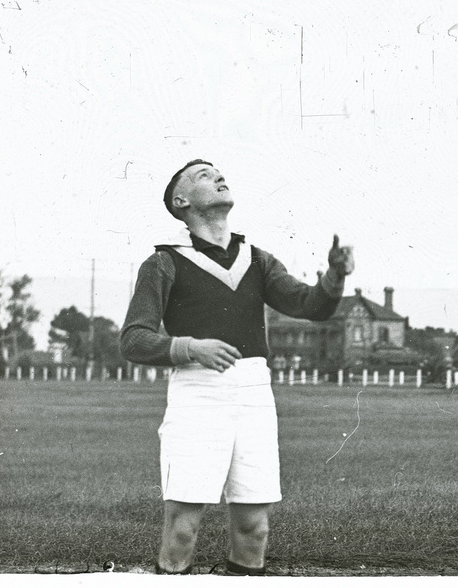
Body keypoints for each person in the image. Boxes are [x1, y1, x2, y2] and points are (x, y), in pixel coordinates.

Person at [120, 159, 355, 575]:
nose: (218, 177)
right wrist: (190, 347)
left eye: (219, 173)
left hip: (253, 392)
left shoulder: (257, 259)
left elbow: (310, 306)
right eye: (203, 176)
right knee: (183, 530)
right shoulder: (163, 262)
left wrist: (335, 276)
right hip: (197, 393)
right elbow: (133, 339)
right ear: (181, 200)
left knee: (254, 528)